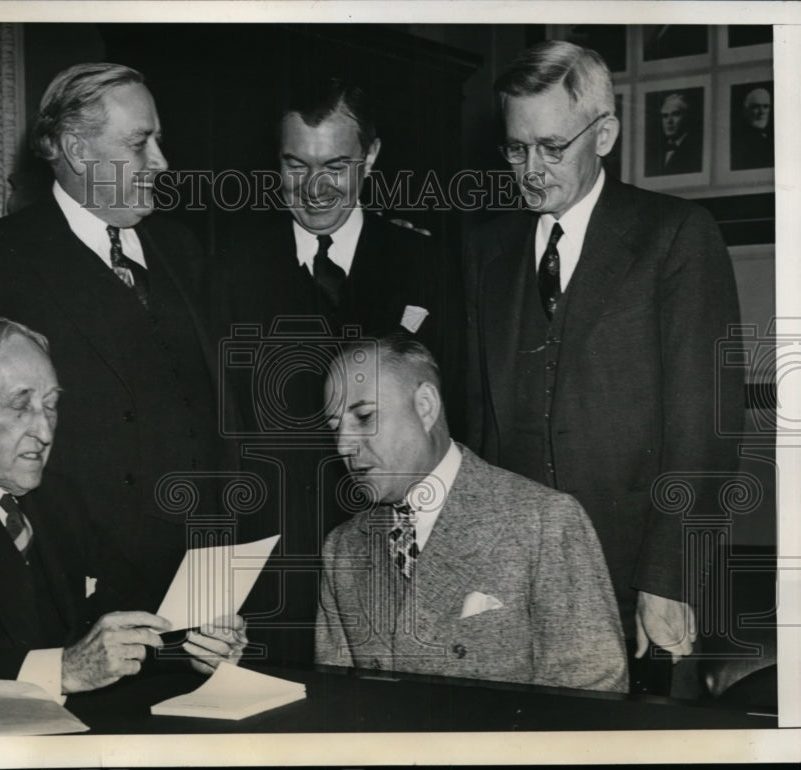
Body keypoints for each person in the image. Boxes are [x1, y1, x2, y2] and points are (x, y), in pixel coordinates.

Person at [0, 63, 233, 613]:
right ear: (78, 151)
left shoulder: (182, 250)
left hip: (199, 568)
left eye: (159, 140)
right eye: (139, 143)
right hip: (83, 573)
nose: (161, 162)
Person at [464, 41, 744, 694]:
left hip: (636, 582)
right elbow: (479, 430)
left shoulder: (674, 237)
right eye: (516, 148)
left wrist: (669, 580)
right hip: (512, 586)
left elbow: (705, 428)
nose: (531, 170)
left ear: (606, 133)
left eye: (552, 147)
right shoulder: (485, 251)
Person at [211, 75, 467, 666]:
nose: (316, 188)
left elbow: (458, 425)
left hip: (397, 559)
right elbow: (214, 445)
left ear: (371, 157)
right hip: (270, 575)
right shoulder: (226, 274)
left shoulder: (427, 264)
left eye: (337, 165)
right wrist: (212, 597)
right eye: (296, 165)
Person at [0, 318, 246, 695]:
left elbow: (108, 622)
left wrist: (190, 648)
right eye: (20, 405)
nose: (43, 431)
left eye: (51, 405)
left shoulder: (57, 498)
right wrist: (60, 673)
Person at [315, 335, 628, 693]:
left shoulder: (543, 522)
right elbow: (337, 703)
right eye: (335, 426)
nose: (343, 445)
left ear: (426, 406)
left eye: (364, 416)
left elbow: (591, 693)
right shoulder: (342, 548)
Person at [647, 92, 703, 176]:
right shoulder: (656, 153)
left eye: (675, 114)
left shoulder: (697, 150)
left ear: (687, 117)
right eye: (665, 116)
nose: (669, 121)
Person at [731, 86, 773, 170]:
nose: (762, 112)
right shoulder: (739, 138)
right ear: (746, 110)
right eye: (756, 107)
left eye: (766, 106)